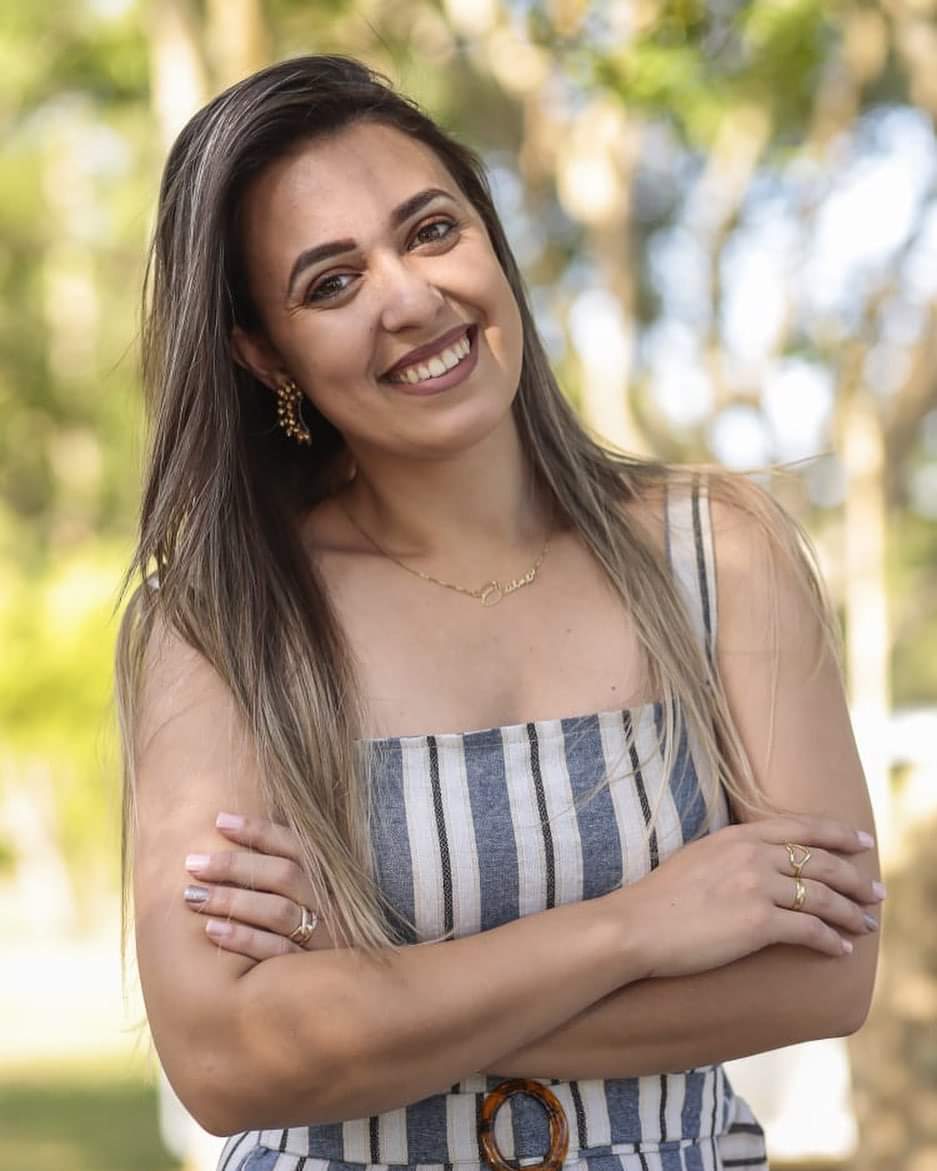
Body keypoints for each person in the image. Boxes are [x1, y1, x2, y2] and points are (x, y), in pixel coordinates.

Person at [115, 54, 884, 1171]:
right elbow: (227, 1063)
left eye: (431, 231)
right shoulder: (222, 624)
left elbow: (828, 973)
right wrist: (638, 926)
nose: (409, 297)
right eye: (330, 283)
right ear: (263, 354)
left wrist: (368, 1002)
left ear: (490, 236)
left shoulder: (719, 552)